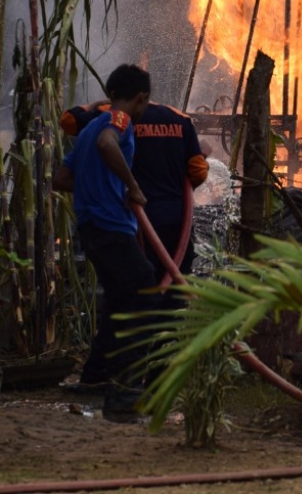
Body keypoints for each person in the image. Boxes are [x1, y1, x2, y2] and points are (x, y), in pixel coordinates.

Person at [59, 86, 209, 391]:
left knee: (123, 298)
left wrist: (99, 103)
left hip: (133, 226)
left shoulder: (109, 115)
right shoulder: (180, 119)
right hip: (172, 227)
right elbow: (198, 171)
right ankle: (149, 377)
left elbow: (68, 122)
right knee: (164, 302)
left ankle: (110, 374)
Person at [53, 64, 158, 422]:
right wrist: (132, 186)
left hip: (91, 228)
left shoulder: (86, 131)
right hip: (112, 228)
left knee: (118, 300)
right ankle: (125, 398)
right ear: (141, 98)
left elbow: (61, 178)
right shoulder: (119, 122)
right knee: (146, 295)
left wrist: (96, 189)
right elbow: (107, 144)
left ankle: (97, 378)